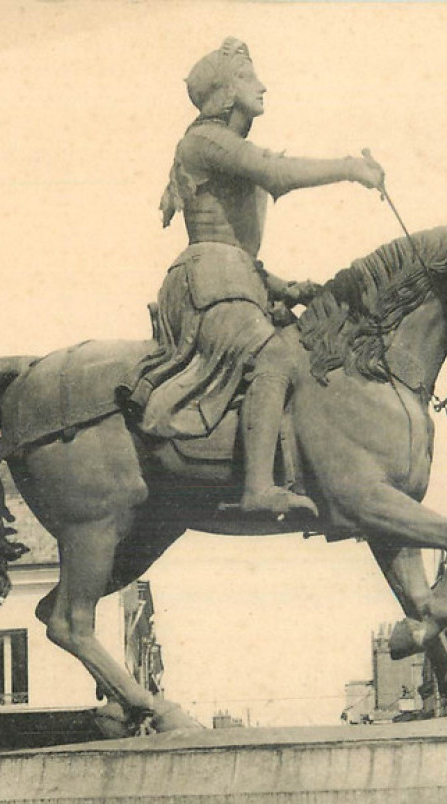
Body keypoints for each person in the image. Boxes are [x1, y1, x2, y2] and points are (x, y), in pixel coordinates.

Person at [125, 37, 384, 517]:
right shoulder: (205, 139)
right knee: (276, 357)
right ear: (224, 92)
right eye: (248, 78)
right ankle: (258, 488)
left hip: (235, 279)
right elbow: (274, 173)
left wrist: (283, 287)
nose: (261, 86)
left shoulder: (218, 142)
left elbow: (236, 247)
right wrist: (349, 168)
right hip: (208, 285)